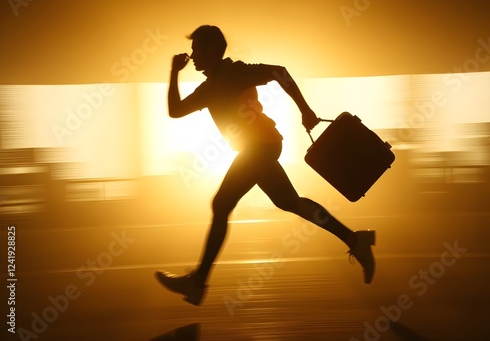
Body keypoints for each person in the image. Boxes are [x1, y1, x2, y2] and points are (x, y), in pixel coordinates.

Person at [155, 25, 375, 305]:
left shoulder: (236, 72)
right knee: (290, 202)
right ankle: (356, 241)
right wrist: (174, 72)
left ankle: (198, 283)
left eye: (197, 48)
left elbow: (279, 71)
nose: (192, 54)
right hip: (258, 148)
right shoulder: (209, 87)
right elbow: (175, 111)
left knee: (221, 204)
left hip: (261, 146)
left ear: (212, 49)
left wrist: (305, 110)